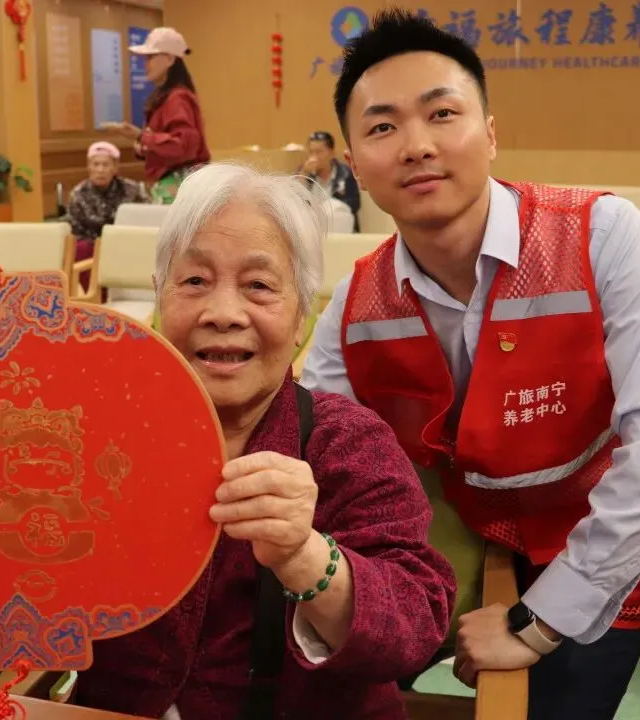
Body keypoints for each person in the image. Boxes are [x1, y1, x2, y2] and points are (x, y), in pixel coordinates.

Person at [300, 9, 640, 720]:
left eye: (442, 114)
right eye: (383, 127)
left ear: (489, 134)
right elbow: (313, 454)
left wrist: (538, 623)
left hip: (609, 537)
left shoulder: (601, 236)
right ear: (355, 164)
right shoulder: (354, 304)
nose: (417, 146)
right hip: (463, 539)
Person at [71, 163, 455, 719]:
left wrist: (304, 555)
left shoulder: (347, 442)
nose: (224, 314)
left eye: (258, 286)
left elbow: (415, 627)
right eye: (194, 281)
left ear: (301, 317)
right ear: (159, 297)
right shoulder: (96, 433)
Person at [107, 27, 210, 205]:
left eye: (151, 57)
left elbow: (184, 146)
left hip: (180, 185)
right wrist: (143, 146)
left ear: (169, 59)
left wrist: (141, 136)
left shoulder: (177, 98)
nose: (146, 64)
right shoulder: (166, 97)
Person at [65, 141, 149, 291]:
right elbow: (75, 231)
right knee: (80, 247)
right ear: (89, 167)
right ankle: (94, 294)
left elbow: (145, 220)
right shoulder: (78, 194)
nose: (100, 170)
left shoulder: (132, 190)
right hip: (92, 246)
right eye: (96, 164)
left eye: (105, 165)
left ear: (115, 168)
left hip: (125, 244)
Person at [300, 130, 361, 229]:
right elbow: (295, 200)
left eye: (319, 152)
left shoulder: (345, 173)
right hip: (313, 228)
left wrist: (332, 207)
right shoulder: (304, 172)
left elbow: (355, 204)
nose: (314, 157)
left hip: (339, 227)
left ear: (332, 153)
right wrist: (304, 173)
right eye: (311, 152)